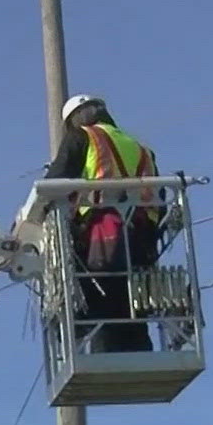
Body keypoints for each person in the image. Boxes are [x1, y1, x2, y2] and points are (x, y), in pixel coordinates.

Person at [44, 94, 163, 353]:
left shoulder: (82, 137)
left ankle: (105, 352)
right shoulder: (142, 149)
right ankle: (139, 353)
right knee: (133, 300)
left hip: (103, 235)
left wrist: (35, 216)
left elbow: (57, 178)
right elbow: (159, 197)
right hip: (141, 240)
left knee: (100, 296)